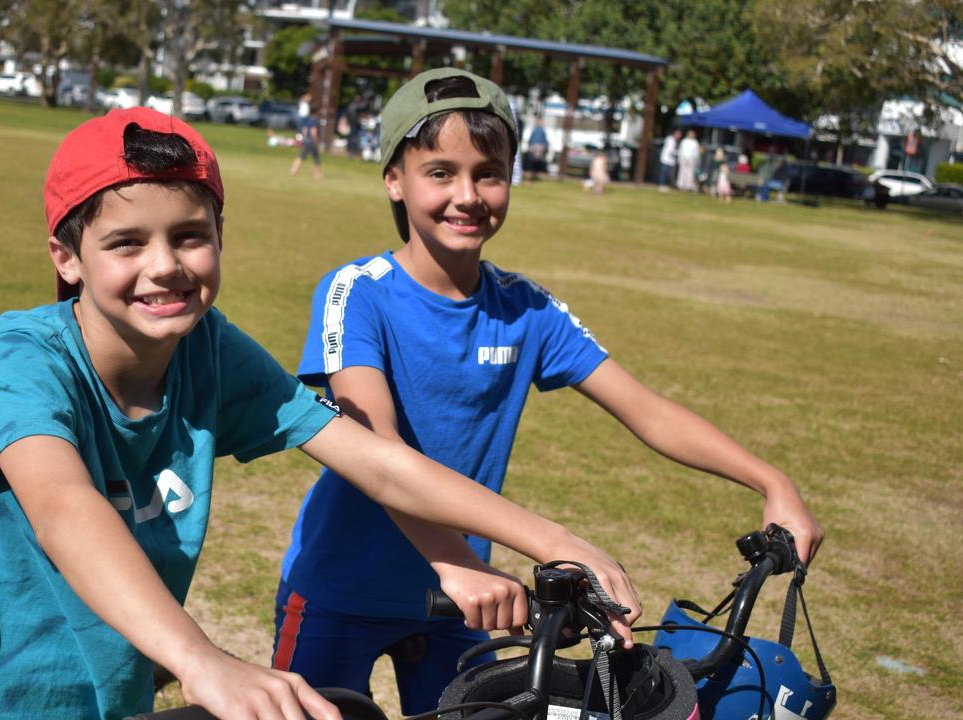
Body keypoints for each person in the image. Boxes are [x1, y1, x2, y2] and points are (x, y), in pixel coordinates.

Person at [0, 107, 641, 720]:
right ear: (67, 256)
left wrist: (556, 541)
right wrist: (200, 659)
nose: (166, 265)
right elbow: (64, 507)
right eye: (127, 242)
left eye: (190, 235)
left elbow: (371, 457)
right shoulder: (23, 358)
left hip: (114, 691)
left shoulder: (207, 349)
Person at [272, 68, 823, 715]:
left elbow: (646, 409)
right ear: (394, 178)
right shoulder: (357, 292)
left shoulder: (526, 309)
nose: (469, 194)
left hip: (464, 605)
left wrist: (772, 482)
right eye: (441, 172)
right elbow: (374, 445)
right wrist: (455, 558)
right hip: (344, 591)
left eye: (490, 171)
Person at [289, 93, 323, 179]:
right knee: (316, 158)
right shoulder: (315, 120)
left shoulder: (307, 119)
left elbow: (304, 130)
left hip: (306, 140)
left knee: (302, 156)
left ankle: (293, 169)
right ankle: (317, 174)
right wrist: (316, 140)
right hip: (311, 141)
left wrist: (304, 138)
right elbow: (313, 132)